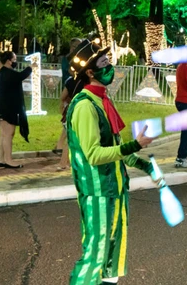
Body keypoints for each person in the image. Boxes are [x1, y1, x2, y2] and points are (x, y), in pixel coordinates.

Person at [65, 38, 157, 284]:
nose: (110, 67)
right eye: (104, 63)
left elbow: (115, 149)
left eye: (109, 61)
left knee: (112, 262)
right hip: (98, 194)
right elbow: (94, 154)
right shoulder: (85, 106)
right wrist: (134, 144)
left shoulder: (103, 100)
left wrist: (144, 165)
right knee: (94, 259)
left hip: (116, 191)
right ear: (90, 72)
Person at [0, 51, 32, 168]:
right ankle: (8, 160)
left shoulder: (4, 72)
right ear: (9, 61)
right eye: (14, 59)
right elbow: (20, 76)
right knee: (8, 134)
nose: (16, 61)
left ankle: (2, 160)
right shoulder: (7, 73)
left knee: (3, 134)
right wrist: (30, 68)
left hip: (2, 106)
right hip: (7, 108)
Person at [55, 37, 83, 165]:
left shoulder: (73, 59)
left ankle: (60, 147)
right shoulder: (69, 60)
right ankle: (63, 156)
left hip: (71, 92)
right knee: (70, 128)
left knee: (69, 127)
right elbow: (70, 72)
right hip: (70, 93)